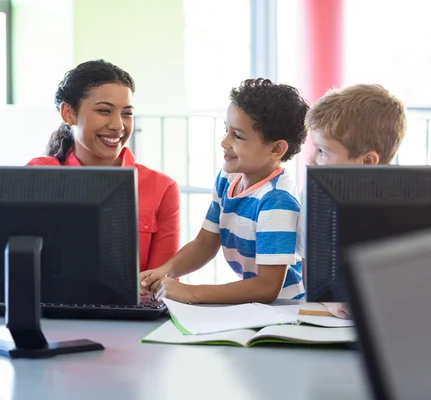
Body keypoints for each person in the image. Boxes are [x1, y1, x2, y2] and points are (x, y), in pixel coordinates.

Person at [140, 78, 309, 304]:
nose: (224, 142)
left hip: (284, 309)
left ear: (276, 149)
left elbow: (267, 287)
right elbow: (205, 243)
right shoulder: (228, 178)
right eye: (226, 131)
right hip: (255, 306)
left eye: (237, 136)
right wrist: (166, 270)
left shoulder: (277, 200)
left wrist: (191, 293)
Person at [27, 60, 180, 279]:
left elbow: (162, 284)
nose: (118, 125)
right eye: (104, 111)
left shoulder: (162, 188)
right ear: (68, 113)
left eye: (127, 113)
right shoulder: (37, 175)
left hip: (128, 313)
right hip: (50, 311)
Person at [297, 83, 407, 318]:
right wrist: (330, 303)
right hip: (333, 317)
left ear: (367, 161)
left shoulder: (406, 200)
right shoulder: (314, 195)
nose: (311, 160)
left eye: (323, 152)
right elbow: (313, 279)